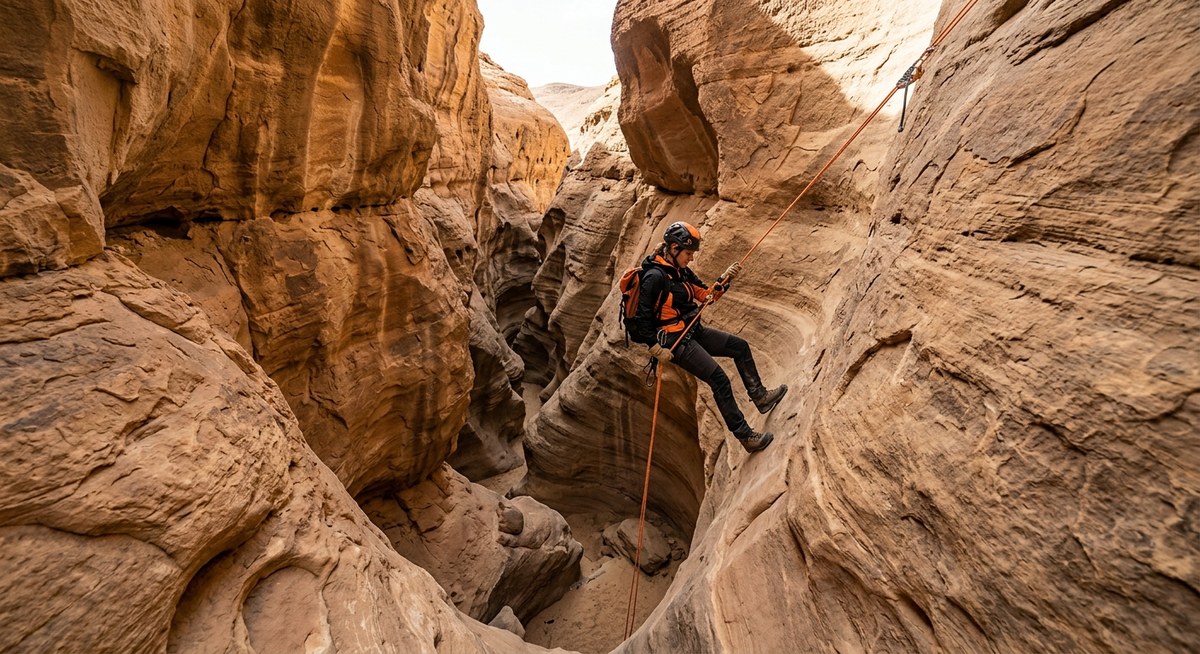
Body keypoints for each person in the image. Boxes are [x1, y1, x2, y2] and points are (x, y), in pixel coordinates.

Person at [632, 221, 787, 453]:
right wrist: (655, 348)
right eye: (688, 253)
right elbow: (639, 323)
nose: (691, 258)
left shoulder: (680, 271)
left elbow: (705, 296)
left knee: (739, 347)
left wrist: (725, 279)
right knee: (720, 380)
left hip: (692, 329)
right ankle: (746, 437)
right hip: (675, 342)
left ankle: (761, 397)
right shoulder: (654, 277)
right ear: (673, 248)